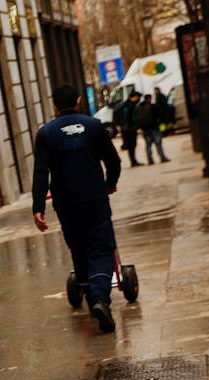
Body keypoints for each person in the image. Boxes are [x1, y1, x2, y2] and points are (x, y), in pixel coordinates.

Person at [32, 85, 123, 333]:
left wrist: (38, 207)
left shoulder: (46, 134)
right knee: (101, 247)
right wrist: (110, 184)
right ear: (79, 101)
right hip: (94, 197)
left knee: (79, 246)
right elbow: (113, 160)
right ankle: (99, 298)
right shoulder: (93, 126)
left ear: (54, 106)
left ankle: (86, 286)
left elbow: (41, 172)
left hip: (66, 203)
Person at [135, 86, 167, 164]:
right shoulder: (153, 106)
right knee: (158, 143)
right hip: (154, 127)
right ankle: (162, 157)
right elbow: (159, 115)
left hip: (145, 129)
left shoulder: (139, 107)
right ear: (149, 99)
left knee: (148, 145)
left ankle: (150, 160)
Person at [115, 91, 142, 167]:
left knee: (131, 146)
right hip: (129, 129)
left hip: (127, 129)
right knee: (131, 145)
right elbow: (130, 118)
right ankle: (133, 161)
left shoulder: (124, 105)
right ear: (135, 97)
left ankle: (133, 161)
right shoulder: (130, 105)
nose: (138, 99)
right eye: (138, 97)